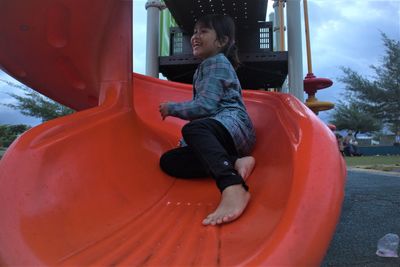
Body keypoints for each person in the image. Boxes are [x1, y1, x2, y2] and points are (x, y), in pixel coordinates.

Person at [159, 14, 256, 226]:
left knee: (193, 130)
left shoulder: (216, 63)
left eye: (203, 31)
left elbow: (206, 106)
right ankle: (235, 161)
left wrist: (171, 108)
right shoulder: (206, 66)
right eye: (194, 31)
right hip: (222, 136)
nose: (195, 36)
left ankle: (233, 186)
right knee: (170, 161)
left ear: (222, 41)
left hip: (232, 123)